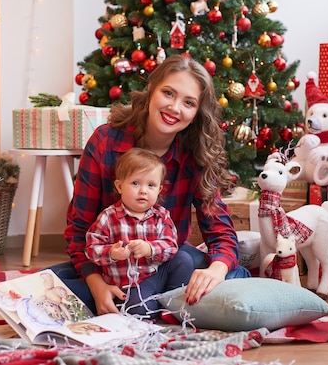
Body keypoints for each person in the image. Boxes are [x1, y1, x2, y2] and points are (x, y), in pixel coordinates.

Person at [53, 54, 250, 315]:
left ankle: (151, 302)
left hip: (166, 266)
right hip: (110, 269)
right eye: (168, 93)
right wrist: (97, 285)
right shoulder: (105, 142)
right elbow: (79, 231)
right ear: (151, 90)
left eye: (188, 103)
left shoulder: (195, 155)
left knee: (228, 272)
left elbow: (220, 232)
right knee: (47, 285)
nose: (175, 108)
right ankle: (149, 304)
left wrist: (217, 269)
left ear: (195, 114)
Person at [85, 147, 194, 318]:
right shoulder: (108, 217)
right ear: (120, 186)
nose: (143, 190)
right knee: (137, 309)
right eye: (135, 183)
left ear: (159, 190)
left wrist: (150, 249)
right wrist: (111, 253)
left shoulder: (161, 216)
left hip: (157, 275)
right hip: (129, 287)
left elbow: (171, 246)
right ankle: (153, 306)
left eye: (151, 185)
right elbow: (91, 248)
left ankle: (172, 302)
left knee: (184, 260)